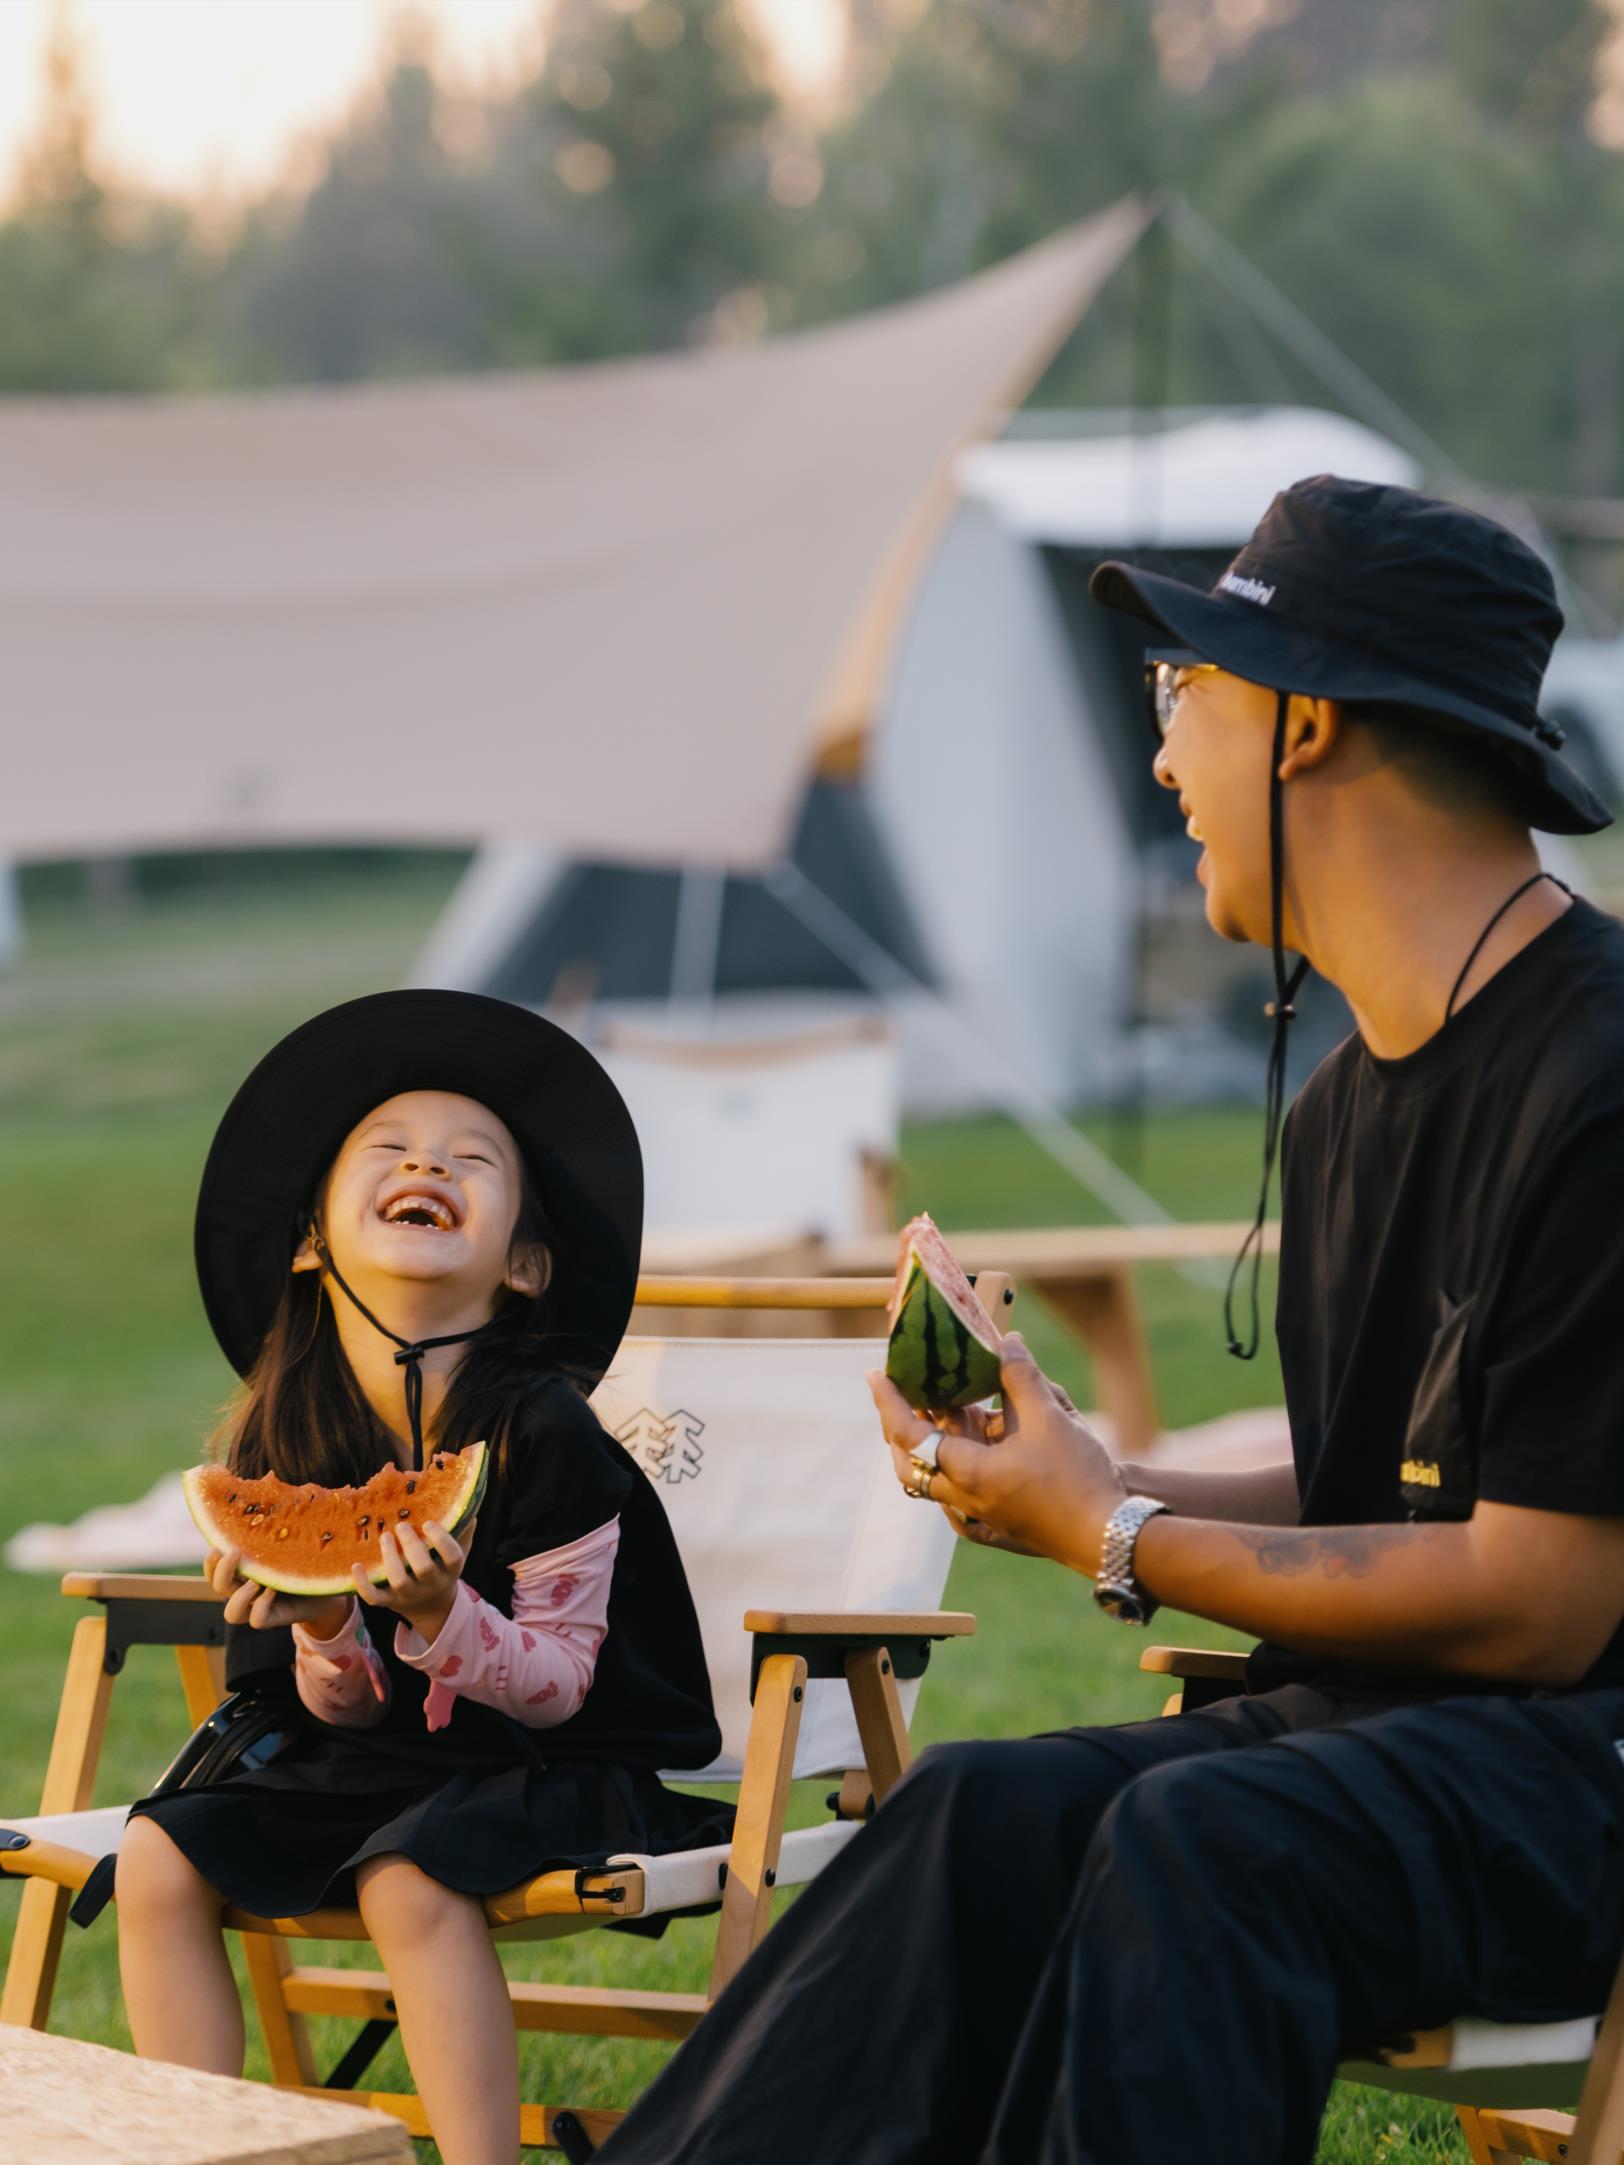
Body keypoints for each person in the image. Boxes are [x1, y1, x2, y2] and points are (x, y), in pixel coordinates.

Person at [597, 477, 1624, 2165]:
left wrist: (1117, 1531)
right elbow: (1402, 1484)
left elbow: (1536, 1597)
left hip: (1573, 1761)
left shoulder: (1591, 1080)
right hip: (1397, 1728)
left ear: (1297, 725)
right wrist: (1074, 1474)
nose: (1159, 760)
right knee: (971, 1807)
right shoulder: (1347, 1103)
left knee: (1196, 1838)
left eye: (1180, 697)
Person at [113, 989, 731, 2165]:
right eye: (388, 1150)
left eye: (471, 1158)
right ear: (309, 1237)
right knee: (156, 1852)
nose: (427, 1164)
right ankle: (191, 2150)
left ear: (529, 1264)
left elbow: (557, 1684)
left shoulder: (546, 1430)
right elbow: (327, 1706)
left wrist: (445, 1613)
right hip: (361, 1762)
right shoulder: (277, 1436)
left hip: (551, 1762)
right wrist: (326, 1630)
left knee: (406, 1876)